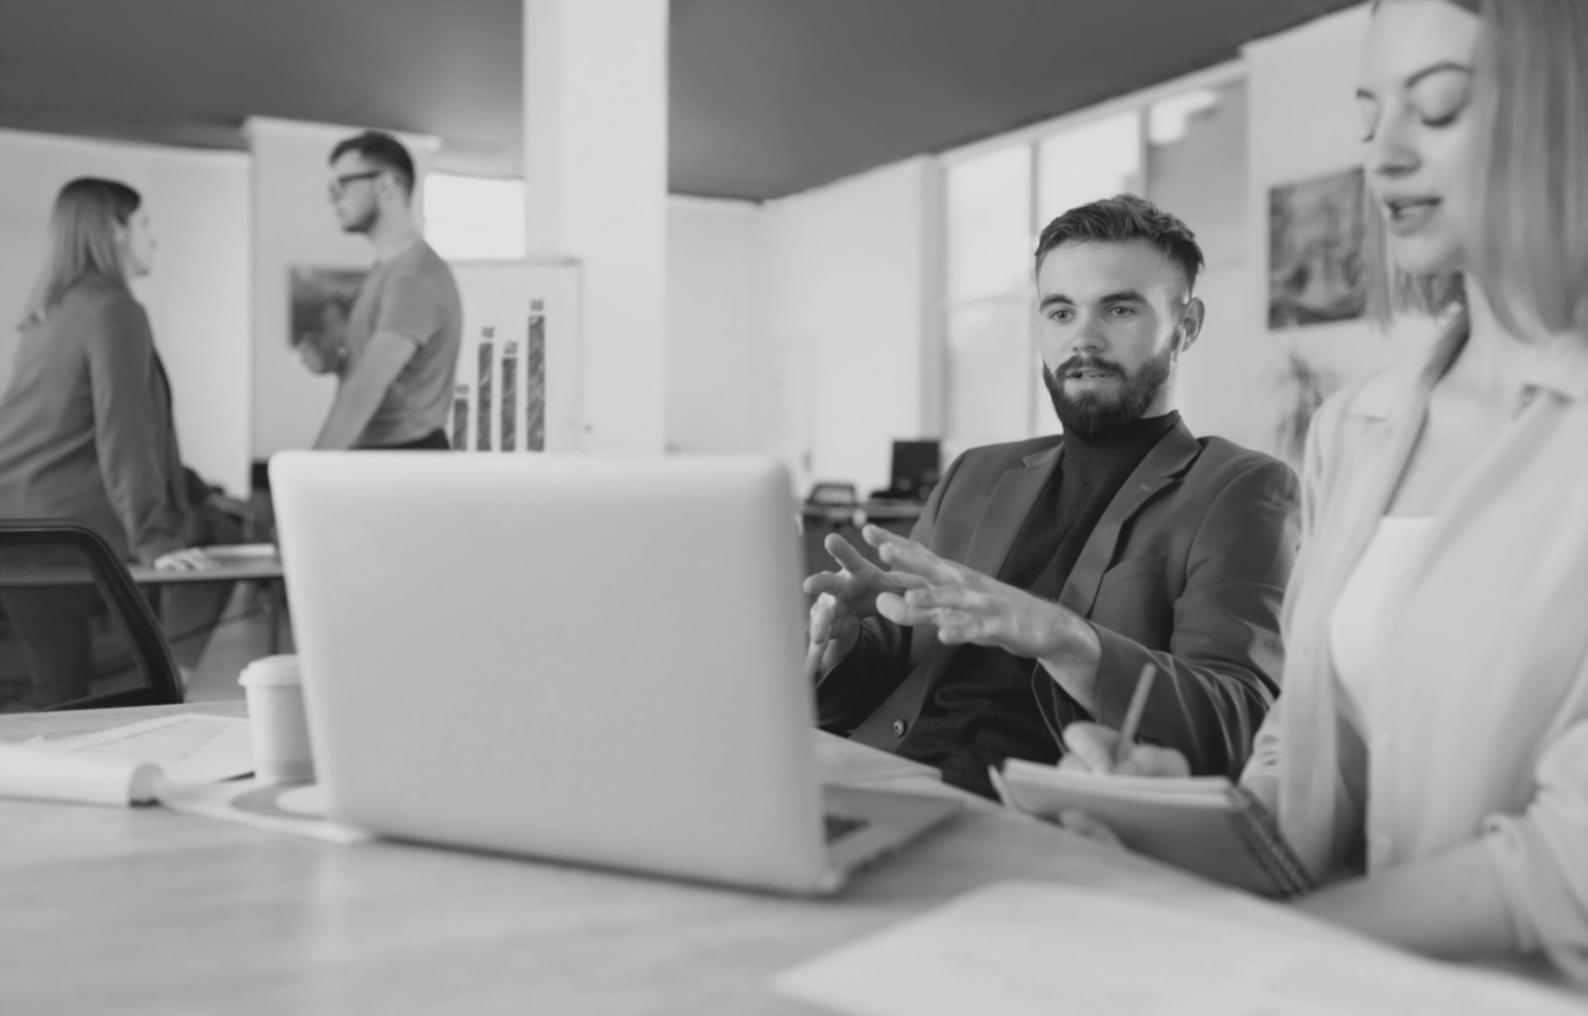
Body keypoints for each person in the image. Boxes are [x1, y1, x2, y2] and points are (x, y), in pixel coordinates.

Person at [1061, 0, 1588, 980]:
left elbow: (1565, 866)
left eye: (1434, 109)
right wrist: (1187, 817)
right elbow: (1303, 775)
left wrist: (1259, 951)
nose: (1381, 154)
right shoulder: (1358, 425)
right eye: (1366, 116)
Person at [805, 195, 1300, 799]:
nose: (1083, 339)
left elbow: (1240, 723)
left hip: (1039, 815)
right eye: (1060, 312)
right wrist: (844, 647)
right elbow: (881, 683)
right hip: (885, 782)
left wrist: (1063, 638)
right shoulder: (975, 474)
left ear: (1186, 325)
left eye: (1118, 309)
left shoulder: (1239, 488)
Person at [0, 178, 223, 703]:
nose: (155, 238)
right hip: (63, 533)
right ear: (114, 230)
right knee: (107, 698)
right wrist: (155, 538)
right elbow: (124, 429)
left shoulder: (48, 314)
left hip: (20, 527)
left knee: (59, 692)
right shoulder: (114, 311)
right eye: (145, 223)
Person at [301, 130, 462, 450]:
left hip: (404, 460)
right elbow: (381, 371)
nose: (334, 199)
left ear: (386, 186)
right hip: (386, 456)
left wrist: (310, 471)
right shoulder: (387, 271)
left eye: (342, 185)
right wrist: (335, 360)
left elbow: (365, 390)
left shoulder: (414, 277)